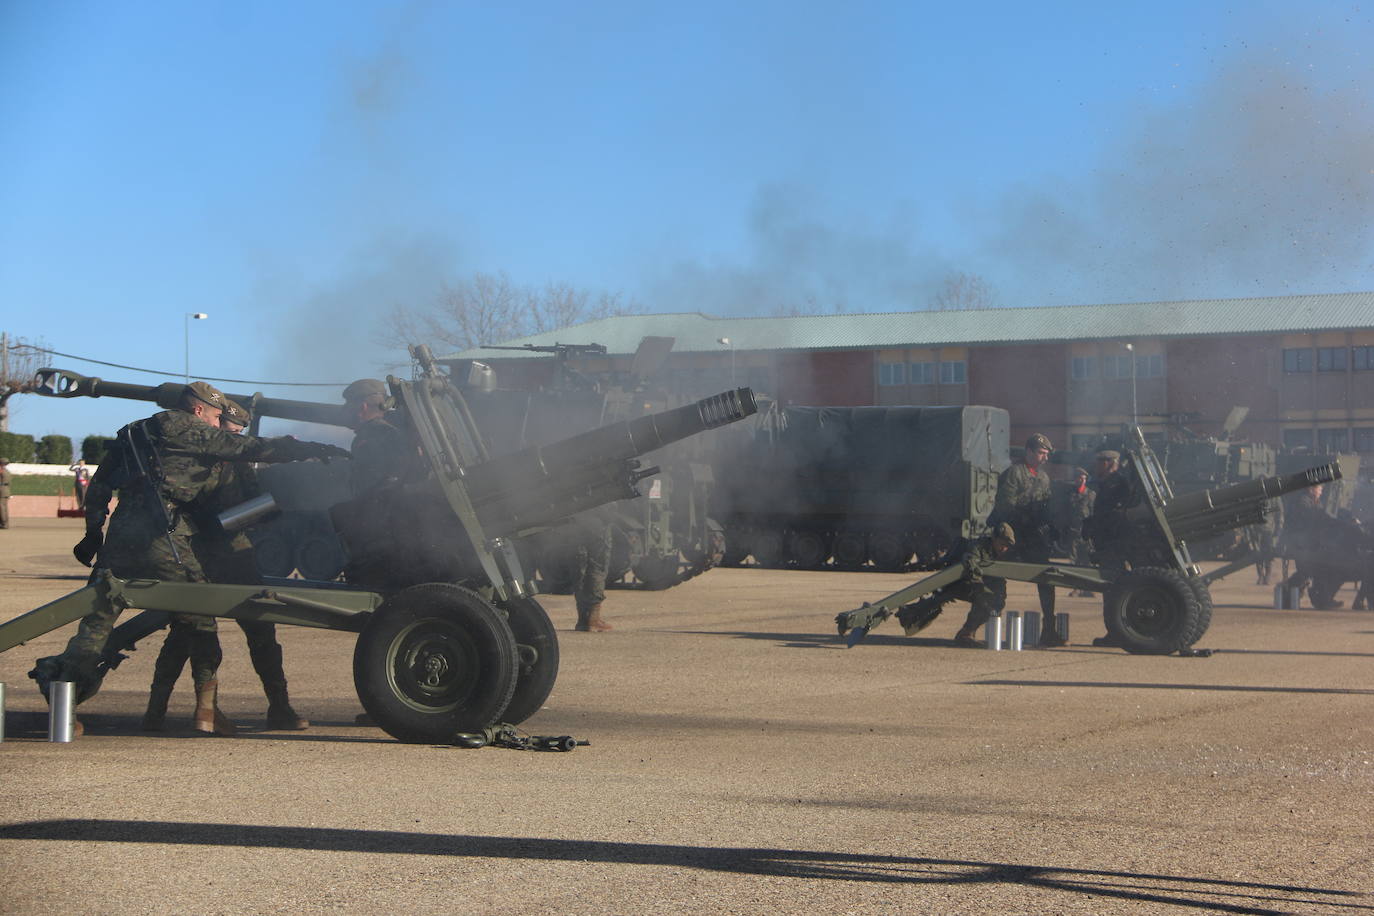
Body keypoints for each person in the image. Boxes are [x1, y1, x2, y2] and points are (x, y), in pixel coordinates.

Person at [38, 380, 350, 735]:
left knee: (98, 622)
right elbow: (247, 447)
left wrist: (94, 533)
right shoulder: (187, 429)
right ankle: (206, 710)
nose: (217, 424)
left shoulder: (135, 432)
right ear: (198, 409)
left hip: (122, 533)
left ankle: (67, 703)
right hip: (163, 536)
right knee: (198, 617)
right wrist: (305, 448)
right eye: (216, 416)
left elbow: (101, 485)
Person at [140, 397, 310, 733]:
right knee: (190, 631)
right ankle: (163, 711)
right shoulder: (197, 458)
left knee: (258, 632)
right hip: (208, 553)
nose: (229, 437)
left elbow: (255, 503)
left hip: (226, 552)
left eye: (234, 432)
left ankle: (278, 706)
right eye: (227, 429)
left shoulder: (230, 462)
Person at [894, 523, 1016, 648]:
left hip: (971, 585)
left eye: (1006, 546)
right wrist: (981, 593)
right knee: (986, 599)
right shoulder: (978, 547)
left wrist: (999, 599)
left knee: (994, 601)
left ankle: (968, 632)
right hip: (959, 583)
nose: (1004, 549)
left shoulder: (997, 554)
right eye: (1002, 544)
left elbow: (999, 580)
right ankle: (965, 634)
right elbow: (971, 567)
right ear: (994, 539)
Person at [990, 433, 1061, 646]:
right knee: (993, 581)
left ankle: (1049, 629)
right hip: (1013, 536)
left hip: (1033, 538)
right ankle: (974, 627)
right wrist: (1026, 516)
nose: (1044, 458)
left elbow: (1045, 506)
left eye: (1047, 454)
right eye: (1041, 453)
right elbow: (1005, 507)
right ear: (1028, 452)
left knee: (1048, 579)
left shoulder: (1043, 478)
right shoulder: (1014, 474)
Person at [341, 378, 413, 495]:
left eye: (348, 405)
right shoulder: (381, 433)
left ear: (362, 408)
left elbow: (386, 485)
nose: (345, 410)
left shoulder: (376, 436)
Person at [1057, 465, 1095, 595]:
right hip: (1073, 533)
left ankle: (1088, 589)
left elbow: (1093, 514)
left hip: (1085, 534)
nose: (1081, 480)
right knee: (1074, 563)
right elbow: (1066, 513)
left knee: (1086, 562)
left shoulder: (1091, 495)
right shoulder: (1070, 494)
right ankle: (1077, 588)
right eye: (1079, 478)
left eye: (1084, 478)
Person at [0, 457, 11, 529]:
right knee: (5, 507)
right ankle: (5, 523)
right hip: (6, 489)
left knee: (1, 507)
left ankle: (3, 523)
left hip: (1, 489)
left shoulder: (1, 470)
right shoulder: (7, 471)